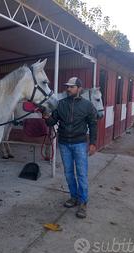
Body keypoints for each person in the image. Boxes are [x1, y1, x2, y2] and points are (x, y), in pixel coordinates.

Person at [44, 77, 97, 218]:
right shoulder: (60, 104)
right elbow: (51, 122)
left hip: (79, 143)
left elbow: (93, 125)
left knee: (81, 174)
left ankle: (83, 202)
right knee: (68, 173)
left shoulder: (88, 105)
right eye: (68, 86)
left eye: (72, 87)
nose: (68, 89)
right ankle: (74, 197)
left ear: (79, 89)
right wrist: (45, 116)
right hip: (64, 144)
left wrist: (92, 143)